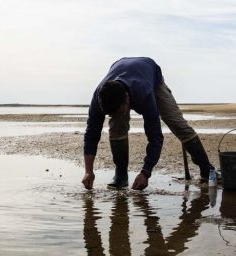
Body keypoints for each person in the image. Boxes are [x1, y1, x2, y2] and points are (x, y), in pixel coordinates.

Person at [81, 57, 216, 190]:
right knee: (116, 127)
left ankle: (207, 170)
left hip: (151, 77)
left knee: (178, 124)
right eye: (111, 115)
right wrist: (88, 171)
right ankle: (121, 176)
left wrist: (145, 173)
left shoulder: (145, 93)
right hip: (122, 72)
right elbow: (91, 133)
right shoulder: (99, 97)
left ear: (127, 99)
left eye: (121, 112)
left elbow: (155, 137)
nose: (118, 116)